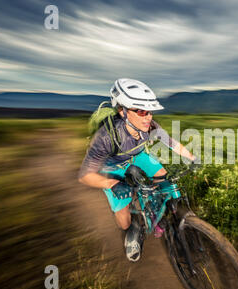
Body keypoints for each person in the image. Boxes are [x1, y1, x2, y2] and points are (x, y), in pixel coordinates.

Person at [78, 78, 196, 262]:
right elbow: (85, 176)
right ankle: (132, 228)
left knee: (163, 178)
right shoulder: (105, 137)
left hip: (137, 156)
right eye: (140, 111)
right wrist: (111, 183)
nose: (148, 117)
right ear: (122, 111)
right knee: (124, 217)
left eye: (149, 111)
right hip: (112, 166)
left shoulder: (150, 127)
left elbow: (171, 142)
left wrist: (192, 157)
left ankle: (160, 211)